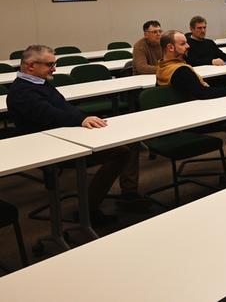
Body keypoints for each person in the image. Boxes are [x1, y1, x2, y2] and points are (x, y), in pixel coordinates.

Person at [7, 45, 139, 224]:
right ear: (30, 65)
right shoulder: (21, 91)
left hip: (65, 134)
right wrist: (81, 120)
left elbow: (63, 107)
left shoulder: (40, 82)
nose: (54, 69)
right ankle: (88, 210)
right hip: (46, 145)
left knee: (127, 141)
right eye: (49, 64)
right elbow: (51, 115)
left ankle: (125, 196)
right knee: (120, 152)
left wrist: (83, 119)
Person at [156, 31, 226, 99]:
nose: (188, 46)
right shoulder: (180, 70)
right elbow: (203, 93)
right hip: (203, 106)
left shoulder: (161, 66)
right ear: (170, 47)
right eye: (183, 44)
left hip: (189, 104)